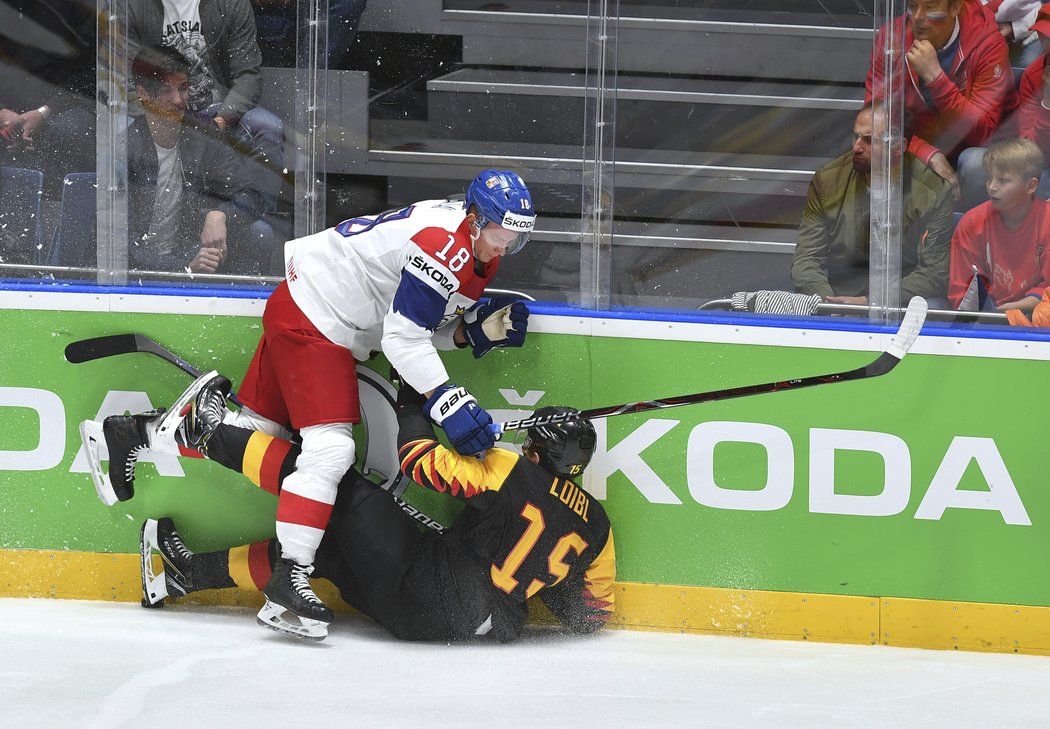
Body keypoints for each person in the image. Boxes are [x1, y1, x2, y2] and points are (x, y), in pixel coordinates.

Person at [82, 168, 536, 639]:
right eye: (501, 233)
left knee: (258, 438)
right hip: (319, 321)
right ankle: (288, 583)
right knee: (330, 452)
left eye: (516, 239)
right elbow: (404, 339)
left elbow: (411, 321)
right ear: (476, 219)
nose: (505, 246)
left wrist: (468, 333)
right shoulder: (446, 246)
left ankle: (131, 434)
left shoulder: (469, 245)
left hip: (311, 308)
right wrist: (446, 398)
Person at [137, 385, 616, 642]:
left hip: (428, 585)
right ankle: (184, 574)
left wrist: (414, 399)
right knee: (315, 545)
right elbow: (590, 616)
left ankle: (205, 431)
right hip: (444, 629)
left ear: (536, 451)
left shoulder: (510, 469)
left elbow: (418, 459)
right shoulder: (596, 525)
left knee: (333, 483)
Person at [127, 46, 275, 274]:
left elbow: (252, 194)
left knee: (260, 233)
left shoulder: (203, 134)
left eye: (183, 89)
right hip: (143, 270)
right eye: (166, 90)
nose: (178, 100)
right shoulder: (127, 147)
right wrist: (182, 268)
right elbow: (120, 243)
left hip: (193, 251)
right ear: (143, 92)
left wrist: (220, 215)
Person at [126, 0, 285, 211]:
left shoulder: (231, 3)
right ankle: (141, 229)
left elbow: (247, 75)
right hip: (154, 110)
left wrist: (221, 120)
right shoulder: (135, 5)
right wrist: (151, 117)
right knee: (116, 138)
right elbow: (121, 76)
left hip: (215, 108)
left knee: (267, 126)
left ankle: (256, 218)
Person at [791, 104, 955, 306]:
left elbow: (935, 271)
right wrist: (830, 303)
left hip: (902, 299)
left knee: (932, 307)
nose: (856, 148)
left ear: (898, 146)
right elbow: (806, 259)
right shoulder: (828, 182)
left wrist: (871, 302)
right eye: (856, 136)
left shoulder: (934, 192)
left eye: (868, 141)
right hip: (839, 295)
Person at [866, 0, 1018, 210]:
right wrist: (926, 152)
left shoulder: (988, 44)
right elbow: (875, 117)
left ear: (955, 7)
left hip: (978, 151)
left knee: (974, 162)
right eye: (912, 6)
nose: (918, 17)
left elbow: (981, 134)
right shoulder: (891, 38)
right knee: (870, 152)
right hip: (922, 147)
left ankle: (971, 232)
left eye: (930, 8)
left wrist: (935, 78)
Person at [947, 137, 1050, 322]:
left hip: (1036, 315)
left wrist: (1021, 307)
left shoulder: (1047, 220)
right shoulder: (971, 222)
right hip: (987, 318)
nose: (992, 187)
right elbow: (960, 291)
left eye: (1003, 180)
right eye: (989, 178)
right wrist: (992, 313)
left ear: (1031, 186)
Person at [0, 0, 96, 196]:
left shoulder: (72, 9)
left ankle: (64, 211)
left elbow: (89, 73)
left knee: (72, 128)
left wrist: (45, 111)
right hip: (9, 117)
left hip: (61, 110)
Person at [1016, 4, 1050, 193]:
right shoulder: (1033, 75)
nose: (1047, 45)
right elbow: (1032, 152)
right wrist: (1047, 103)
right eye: (1043, 37)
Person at [984, 0, 1043, 67]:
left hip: (1033, 30)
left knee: (1029, 63)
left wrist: (1013, 28)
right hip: (996, 34)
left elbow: (1041, 11)